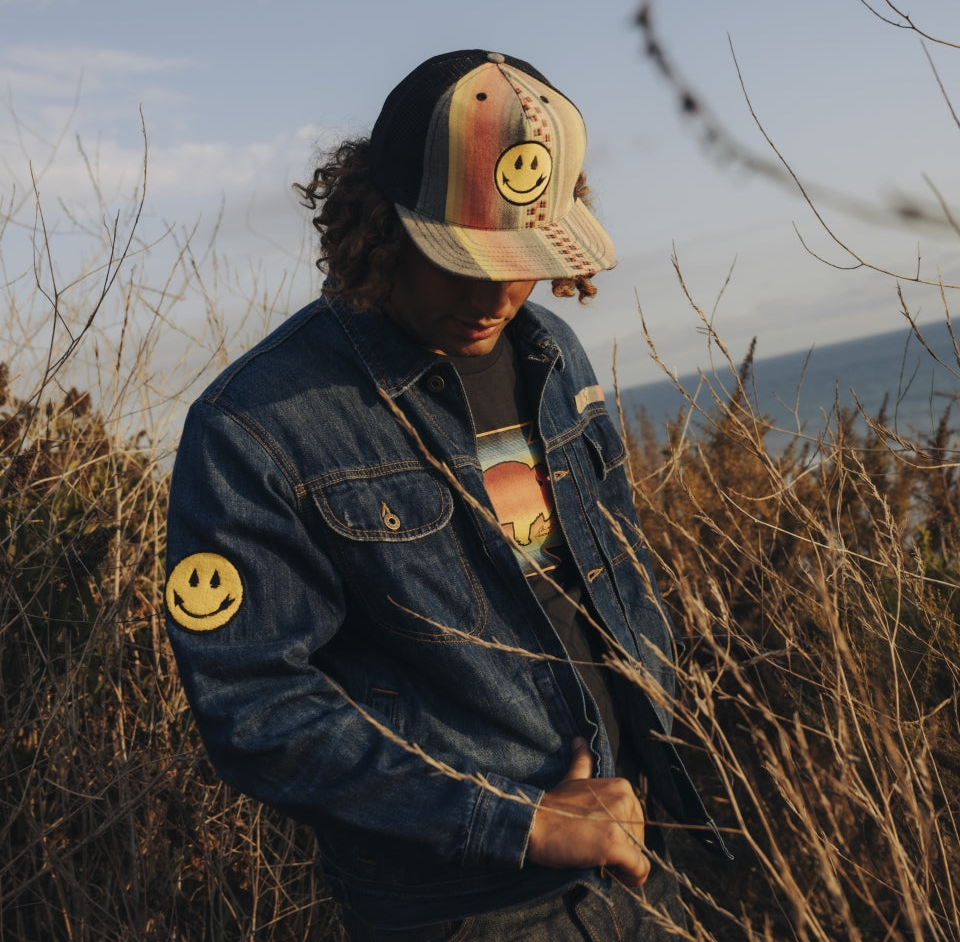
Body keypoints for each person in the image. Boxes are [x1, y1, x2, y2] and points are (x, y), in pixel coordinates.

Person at [164, 49, 729, 940]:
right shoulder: (256, 427)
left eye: (524, 258)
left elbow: (613, 566)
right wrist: (521, 822)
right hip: (463, 905)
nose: (498, 292)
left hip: (636, 850)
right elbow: (255, 707)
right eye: (460, 258)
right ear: (380, 225)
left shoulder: (553, 356)